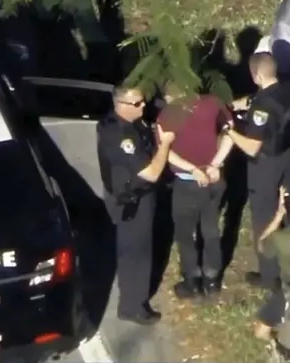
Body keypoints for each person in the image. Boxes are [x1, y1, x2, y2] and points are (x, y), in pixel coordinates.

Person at [96, 87, 175, 325]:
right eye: (138, 103)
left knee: (136, 250)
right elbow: (150, 173)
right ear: (121, 104)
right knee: (136, 254)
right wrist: (165, 144)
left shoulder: (122, 123)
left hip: (133, 196)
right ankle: (133, 306)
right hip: (131, 201)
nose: (143, 106)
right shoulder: (121, 136)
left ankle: (133, 301)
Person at [156, 82, 234, 300]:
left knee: (185, 234)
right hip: (214, 181)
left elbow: (166, 153)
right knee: (210, 230)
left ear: (170, 97)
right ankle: (212, 281)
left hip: (187, 183)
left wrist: (193, 169)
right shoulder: (213, 103)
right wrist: (216, 164)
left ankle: (192, 284)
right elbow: (230, 134)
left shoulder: (168, 114)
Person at [221, 52, 290, 289]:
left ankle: (269, 276)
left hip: (266, 165)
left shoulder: (262, 105)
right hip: (286, 158)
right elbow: (257, 99)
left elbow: (251, 147)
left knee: (263, 217)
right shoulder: (284, 88)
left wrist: (229, 130)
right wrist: (236, 104)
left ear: (257, 75)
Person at [254, 183, 290, 362]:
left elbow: (261, 244)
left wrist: (278, 216)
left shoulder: (282, 239)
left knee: (261, 331)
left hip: (287, 292)